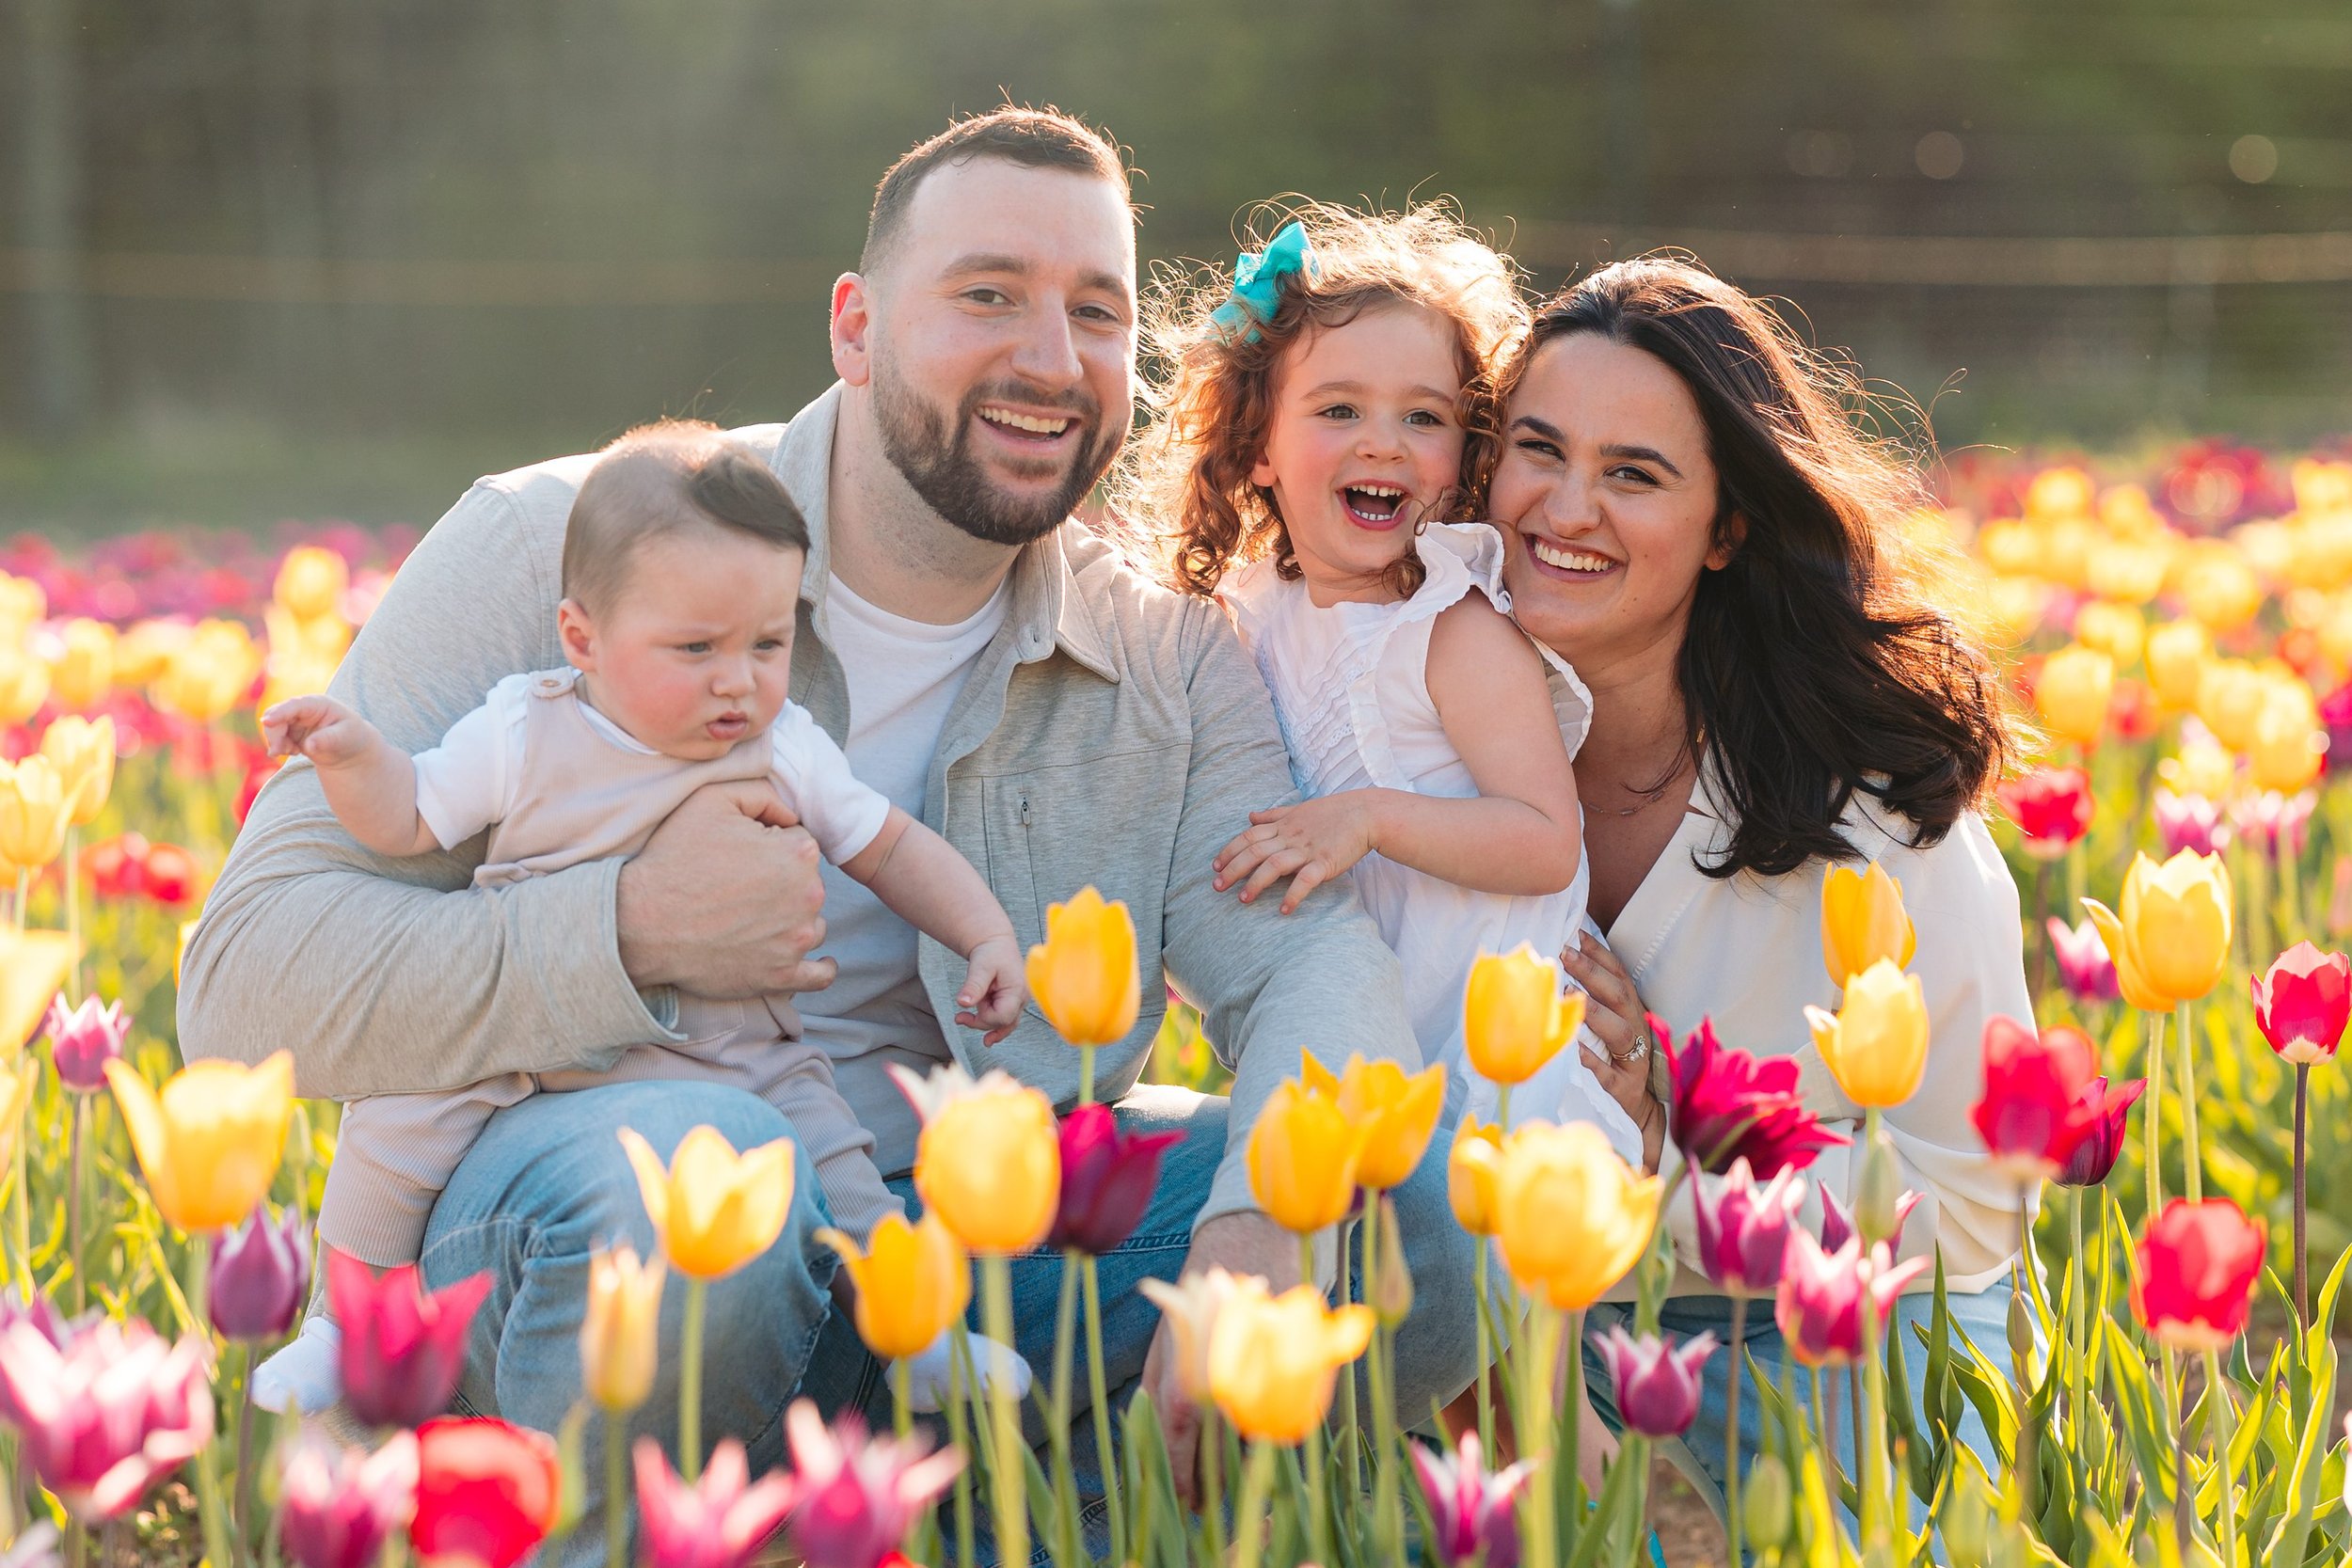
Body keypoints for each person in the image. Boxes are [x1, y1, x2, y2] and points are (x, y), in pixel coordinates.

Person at [177, 106, 1477, 1560]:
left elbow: (1313, 968)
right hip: (594, 1196)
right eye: (988, 294)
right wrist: (628, 931)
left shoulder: (1161, 658)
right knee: (703, 1175)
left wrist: (1256, 1223)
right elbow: (245, 982)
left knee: (1396, 1204)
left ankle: (973, 1521)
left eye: (1095, 311)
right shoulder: (556, 544)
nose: (1051, 357)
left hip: (959, 1261)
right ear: (855, 327)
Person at [246, 420, 1029, 1416]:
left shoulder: (785, 744)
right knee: (393, 1125)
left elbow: (891, 846)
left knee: (837, 1162)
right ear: (583, 638)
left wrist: (984, 933)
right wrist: (354, 758)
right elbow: (411, 813)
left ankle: (914, 1333)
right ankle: (347, 1325)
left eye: (769, 642)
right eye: (695, 647)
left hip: (737, 1050)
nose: (737, 679)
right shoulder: (526, 726)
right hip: (533, 1049)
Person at [1485, 255, 2030, 1525]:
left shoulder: (1882, 829)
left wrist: (1665, 1166)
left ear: (1730, 524)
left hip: (1843, 1342)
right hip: (1533, 1344)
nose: (1566, 507)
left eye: (1635, 473)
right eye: (1537, 449)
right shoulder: (1424, 768)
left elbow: (1971, 1215)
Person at [1130, 202, 1655, 1157]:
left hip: (1506, 1056)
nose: (1384, 442)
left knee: (1498, 1292)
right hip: (1376, 1041)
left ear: (1464, 454)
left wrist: (1368, 817)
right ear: (1256, 446)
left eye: (1424, 416)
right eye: (1339, 410)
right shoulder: (1248, 617)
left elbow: (1543, 841)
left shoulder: (1450, 628)